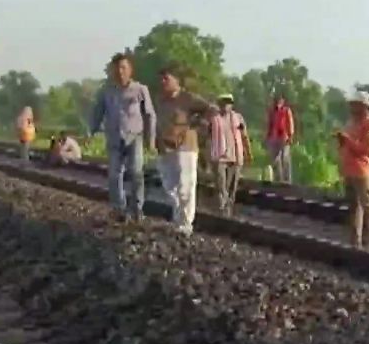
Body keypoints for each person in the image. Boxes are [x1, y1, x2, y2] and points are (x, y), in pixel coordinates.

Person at [90, 52, 157, 223]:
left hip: (135, 137)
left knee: (136, 173)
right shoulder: (107, 92)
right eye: (117, 68)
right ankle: (118, 208)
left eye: (123, 68)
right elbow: (98, 113)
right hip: (114, 137)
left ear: (130, 70)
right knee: (114, 175)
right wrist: (91, 131)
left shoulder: (141, 90)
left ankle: (136, 209)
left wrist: (151, 138)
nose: (120, 71)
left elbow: (149, 114)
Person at [152, 64, 216, 236]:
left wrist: (197, 124)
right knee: (169, 186)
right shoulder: (159, 100)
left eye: (167, 78)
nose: (163, 81)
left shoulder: (188, 98)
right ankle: (178, 217)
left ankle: (185, 224)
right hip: (165, 145)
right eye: (161, 78)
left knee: (185, 186)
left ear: (176, 80)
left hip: (186, 145)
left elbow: (211, 110)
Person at [336, 90, 369, 254]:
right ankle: (354, 242)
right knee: (354, 207)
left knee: (368, 206)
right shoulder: (352, 122)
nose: (351, 107)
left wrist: (347, 140)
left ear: (364, 106)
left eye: (355, 104)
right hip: (349, 170)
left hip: (362, 171)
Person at [209, 94, 252, 216]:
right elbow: (208, 137)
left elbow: (244, 135)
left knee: (232, 186)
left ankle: (228, 210)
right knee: (221, 184)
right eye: (223, 103)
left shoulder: (238, 118)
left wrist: (248, 152)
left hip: (236, 156)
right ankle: (222, 208)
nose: (225, 106)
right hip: (221, 156)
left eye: (228, 103)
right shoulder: (215, 119)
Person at [266, 94, 296, 184]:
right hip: (274, 137)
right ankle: (278, 178)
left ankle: (287, 180)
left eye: (280, 100)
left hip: (284, 137)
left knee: (285, 158)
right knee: (275, 159)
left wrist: (290, 136)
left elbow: (290, 123)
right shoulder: (272, 111)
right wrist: (268, 136)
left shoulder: (286, 110)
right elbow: (269, 124)